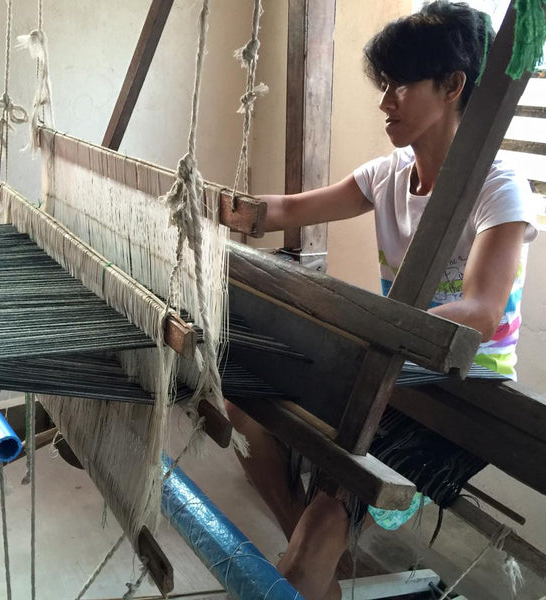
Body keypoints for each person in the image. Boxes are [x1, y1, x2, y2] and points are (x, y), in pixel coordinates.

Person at [224, 2, 539, 599]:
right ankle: (320, 560)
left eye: (399, 84)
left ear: (452, 86)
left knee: (324, 523)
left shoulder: (500, 188)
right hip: (389, 369)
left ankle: (313, 555)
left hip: (463, 386)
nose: (384, 99)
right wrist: (228, 208)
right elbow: (290, 209)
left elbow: (479, 313)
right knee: (244, 404)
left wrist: (358, 344)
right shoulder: (388, 175)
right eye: (383, 84)